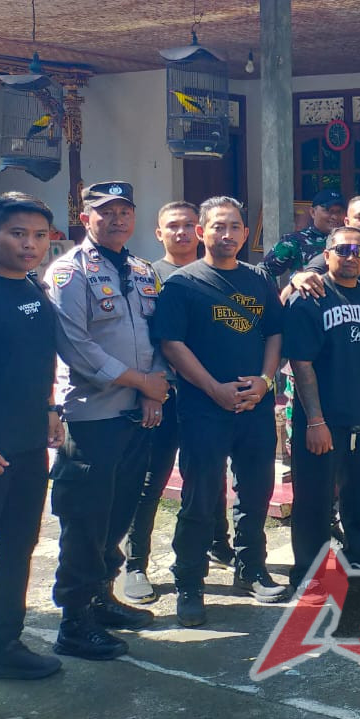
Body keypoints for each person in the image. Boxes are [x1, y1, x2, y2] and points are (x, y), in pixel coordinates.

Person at [45, 181, 168, 659]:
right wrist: (141, 381)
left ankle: (102, 597)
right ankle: (74, 622)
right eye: (106, 212)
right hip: (91, 416)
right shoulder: (68, 273)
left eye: (124, 211)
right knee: (85, 518)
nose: (117, 219)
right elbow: (77, 347)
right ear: (86, 216)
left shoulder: (140, 271)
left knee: (119, 511)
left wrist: (154, 391)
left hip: (136, 414)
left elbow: (158, 335)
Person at [151, 196, 285, 627]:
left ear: (246, 234)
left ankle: (251, 568)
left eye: (235, 228)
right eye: (218, 227)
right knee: (201, 498)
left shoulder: (258, 280)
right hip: (204, 408)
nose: (227, 235)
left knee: (256, 492)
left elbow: (274, 333)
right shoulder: (183, 284)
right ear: (201, 232)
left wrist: (265, 382)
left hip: (254, 406)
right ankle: (190, 581)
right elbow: (172, 344)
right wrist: (213, 389)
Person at [284, 227, 360, 591]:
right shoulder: (309, 297)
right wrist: (316, 420)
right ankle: (308, 567)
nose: (351, 256)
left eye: (358, 250)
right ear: (326, 253)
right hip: (324, 420)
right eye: (343, 249)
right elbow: (302, 364)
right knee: (314, 497)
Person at [122, 201, 233, 604]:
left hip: (207, 394)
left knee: (208, 473)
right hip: (165, 395)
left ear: (201, 231)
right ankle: (135, 563)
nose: (183, 233)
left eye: (190, 225)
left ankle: (216, 542)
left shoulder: (220, 275)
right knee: (151, 480)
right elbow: (142, 340)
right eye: (174, 226)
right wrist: (147, 390)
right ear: (159, 233)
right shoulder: (147, 277)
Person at [0, 193, 65, 691]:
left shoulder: (35, 291)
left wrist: (51, 411)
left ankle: (3, 646)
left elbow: (38, 361)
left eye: (38, 236)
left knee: (18, 548)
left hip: (28, 446)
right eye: (17, 233)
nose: (29, 245)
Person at [260, 188, 346, 281]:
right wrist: (274, 294)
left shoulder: (351, 241)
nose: (335, 217)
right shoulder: (294, 240)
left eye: (339, 212)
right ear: (313, 212)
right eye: (329, 211)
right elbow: (264, 271)